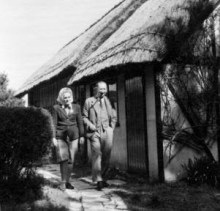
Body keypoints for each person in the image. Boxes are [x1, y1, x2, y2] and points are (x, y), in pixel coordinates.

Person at [83, 81, 117, 190]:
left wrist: (111, 128)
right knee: (97, 154)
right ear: (96, 89)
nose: (103, 91)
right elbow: (84, 117)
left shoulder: (109, 100)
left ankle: (103, 178)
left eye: (104, 89)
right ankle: (98, 180)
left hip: (107, 131)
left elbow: (114, 115)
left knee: (106, 155)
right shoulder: (89, 101)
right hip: (94, 132)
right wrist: (90, 125)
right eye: (101, 89)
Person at [52, 87, 84, 191]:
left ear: (72, 97)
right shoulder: (56, 108)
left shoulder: (77, 107)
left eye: (68, 97)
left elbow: (80, 122)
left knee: (71, 160)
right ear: (61, 98)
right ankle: (63, 182)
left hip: (74, 136)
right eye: (64, 97)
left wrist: (82, 136)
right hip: (61, 136)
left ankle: (68, 181)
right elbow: (54, 124)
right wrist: (53, 137)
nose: (67, 99)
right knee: (63, 159)